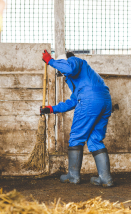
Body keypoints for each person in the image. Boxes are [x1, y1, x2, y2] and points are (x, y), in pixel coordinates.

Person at [40, 50, 113, 187]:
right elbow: (73, 101)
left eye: (62, 70)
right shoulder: (86, 79)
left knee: (76, 137)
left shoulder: (74, 61)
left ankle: (73, 176)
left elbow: (69, 68)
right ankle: (106, 178)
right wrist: (52, 109)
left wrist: (50, 61)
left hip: (90, 101)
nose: (63, 74)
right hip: (104, 101)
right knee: (95, 139)